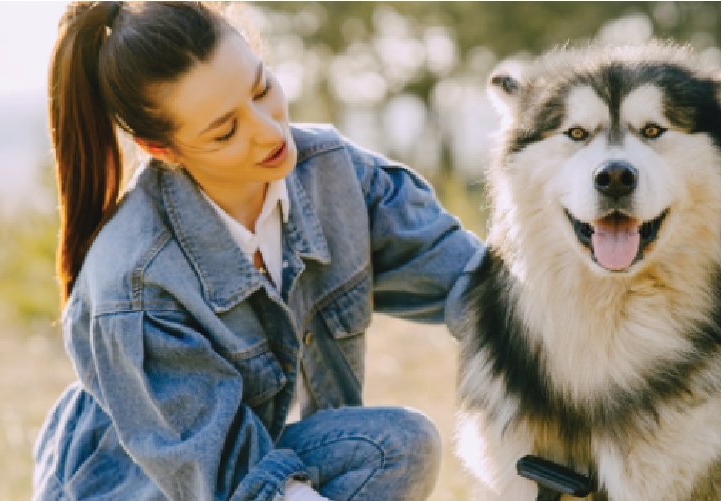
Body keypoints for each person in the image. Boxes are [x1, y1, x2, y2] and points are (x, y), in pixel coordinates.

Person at [32, 2, 484, 501]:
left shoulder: (335, 175)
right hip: (151, 488)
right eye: (225, 131)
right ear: (163, 150)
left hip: (253, 474)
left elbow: (481, 286)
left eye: (262, 88)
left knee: (396, 446)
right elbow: (227, 481)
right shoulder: (134, 282)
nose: (270, 131)